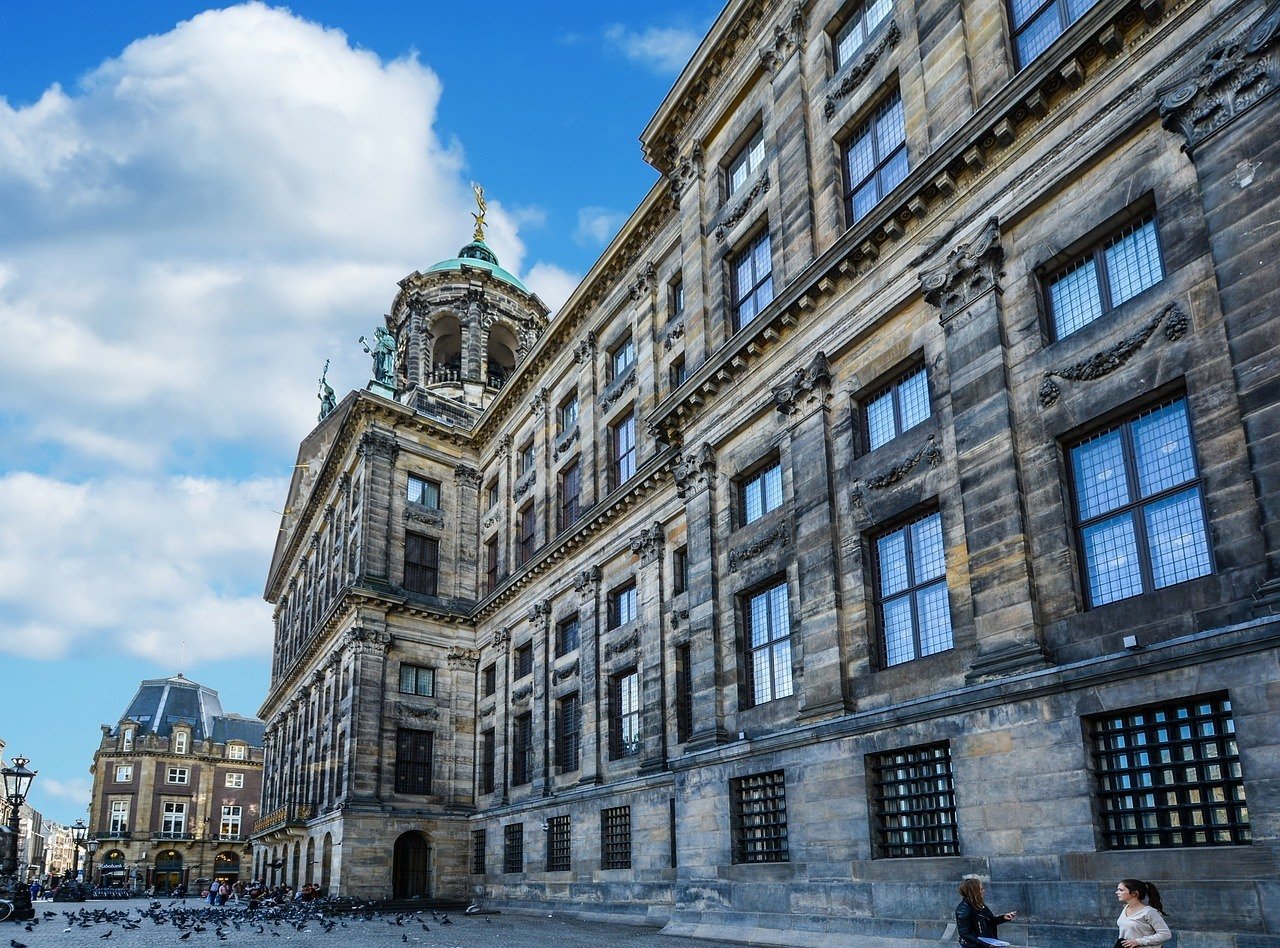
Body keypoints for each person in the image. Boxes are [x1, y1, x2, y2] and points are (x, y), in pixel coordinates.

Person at [955, 877, 1017, 947]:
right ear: (974, 892)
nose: (984, 891)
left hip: (986, 942)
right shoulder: (963, 909)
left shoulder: (979, 905)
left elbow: (991, 921)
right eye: (981, 889)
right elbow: (964, 934)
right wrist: (985, 944)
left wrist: (1004, 917)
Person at [1115, 879, 1172, 947]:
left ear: (1134, 893)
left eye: (1121, 890)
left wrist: (1138, 941)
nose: (1117, 892)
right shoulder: (1126, 908)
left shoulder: (1149, 912)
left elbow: (1165, 934)